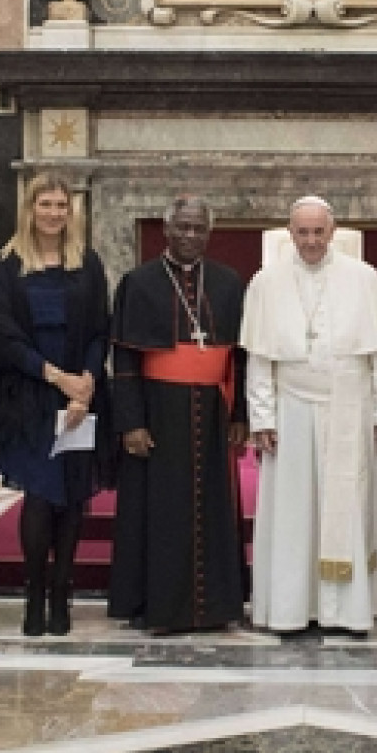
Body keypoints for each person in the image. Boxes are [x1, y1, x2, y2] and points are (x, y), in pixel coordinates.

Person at [240, 196, 377, 637]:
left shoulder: (364, 278)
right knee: (292, 513)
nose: (311, 241)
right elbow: (259, 361)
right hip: (290, 406)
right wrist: (262, 419)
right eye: (302, 233)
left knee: (347, 507)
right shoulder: (265, 282)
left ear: (332, 232)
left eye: (318, 232)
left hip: (351, 404)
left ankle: (347, 612)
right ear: (290, 233)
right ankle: (291, 609)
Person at [107, 195, 250, 635]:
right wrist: (131, 421)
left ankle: (217, 607)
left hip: (210, 411)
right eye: (182, 228)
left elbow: (240, 358)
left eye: (199, 229)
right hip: (157, 411)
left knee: (213, 508)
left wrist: (239, 413)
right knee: (157, 510)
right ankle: (156, 605)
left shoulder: (228, 283)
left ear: (209, 233)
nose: (190, 236)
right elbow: (125, 358)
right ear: (166, 231)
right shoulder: (139, 282)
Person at [0, 174, 111, 637]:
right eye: (46, 204)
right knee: (40, 498)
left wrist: (86, 382)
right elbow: (2, 333)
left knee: (74, 500)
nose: (54, 212)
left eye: (62, 205)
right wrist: (56, 377)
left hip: (80, 398)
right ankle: (34, 596)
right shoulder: (8, 264)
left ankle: (63, 594)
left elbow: (101, 328)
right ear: (30, 208)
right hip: (29, 395)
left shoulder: (88, 263)